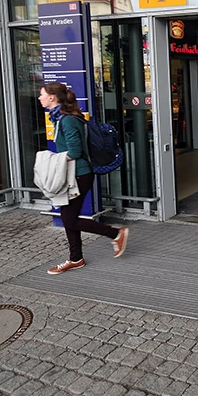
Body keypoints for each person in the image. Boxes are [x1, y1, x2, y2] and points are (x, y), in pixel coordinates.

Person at [38, 82, 128, 275]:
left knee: (69, 219)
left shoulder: (67, 120)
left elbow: (75, 151)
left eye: (42, 94)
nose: (39, 98)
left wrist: (52, 162)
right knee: (68, 217)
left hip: (78, 174)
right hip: (76, 173)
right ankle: (76, 258)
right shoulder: (61, 118)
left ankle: (115, 233)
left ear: (52, 97)